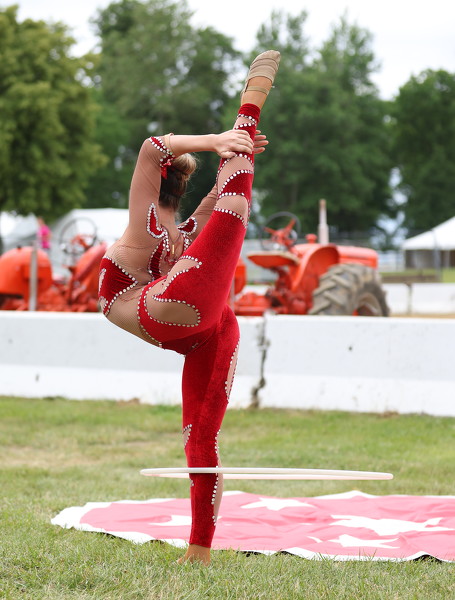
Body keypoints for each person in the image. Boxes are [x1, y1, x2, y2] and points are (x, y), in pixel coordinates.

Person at [98, 50, 281, 565]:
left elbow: (217, 206)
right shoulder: (144, 213)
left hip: (202, 323)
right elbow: (151, 144)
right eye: (178, 163)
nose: (180, 164)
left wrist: (237, 155)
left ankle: (199, 548)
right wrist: (225, 137)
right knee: (234, 207)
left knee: (202, 436)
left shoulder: (180, 225)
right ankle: (251, 104)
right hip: (139, 304)